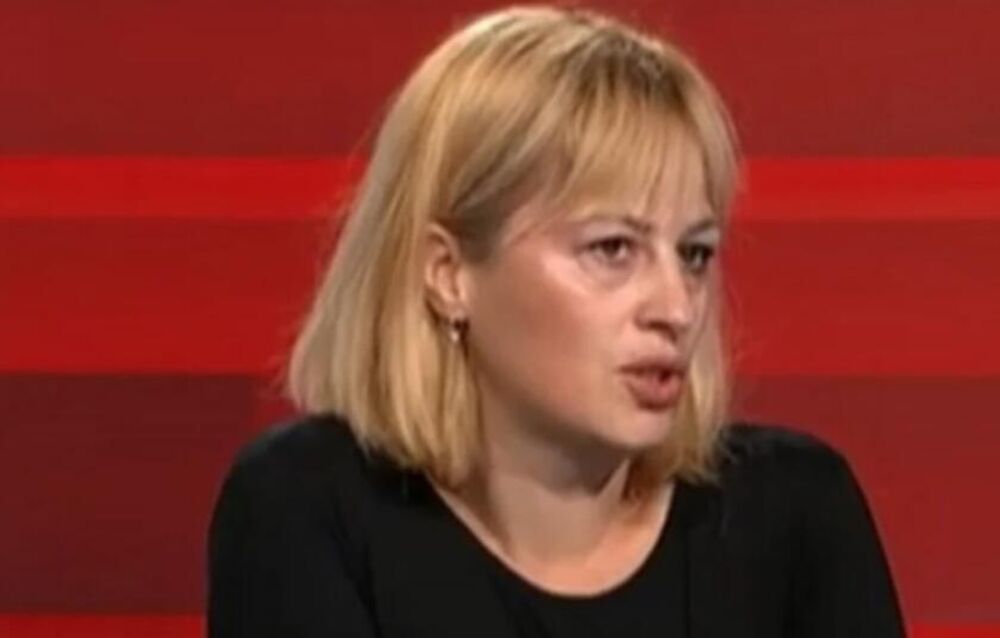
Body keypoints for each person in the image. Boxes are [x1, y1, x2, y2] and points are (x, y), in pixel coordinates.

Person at [207, 5, 905, 637]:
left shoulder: (795, 516)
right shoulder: (308, 507)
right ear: (448, 274)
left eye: (693, 254)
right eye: (612, 249)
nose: (677, 309)